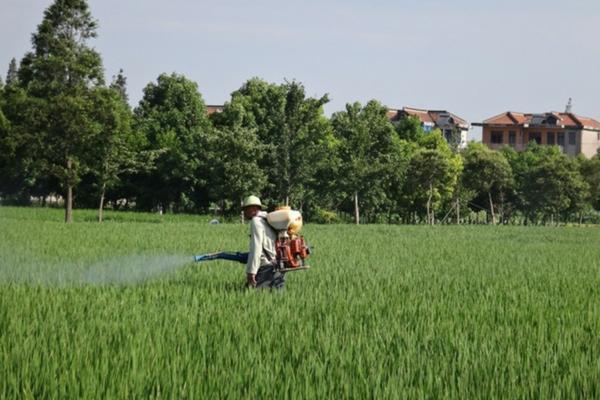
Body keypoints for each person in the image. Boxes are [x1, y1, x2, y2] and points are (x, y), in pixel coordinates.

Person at [242, 195, 285, 289]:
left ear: (253, 208)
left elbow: (256, 248)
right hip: (278, 265)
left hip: (266, 267)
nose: (244, 212)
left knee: (251, 297)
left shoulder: (256, 221)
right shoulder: (267, 219)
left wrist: (251, 272)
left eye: (245, 209)